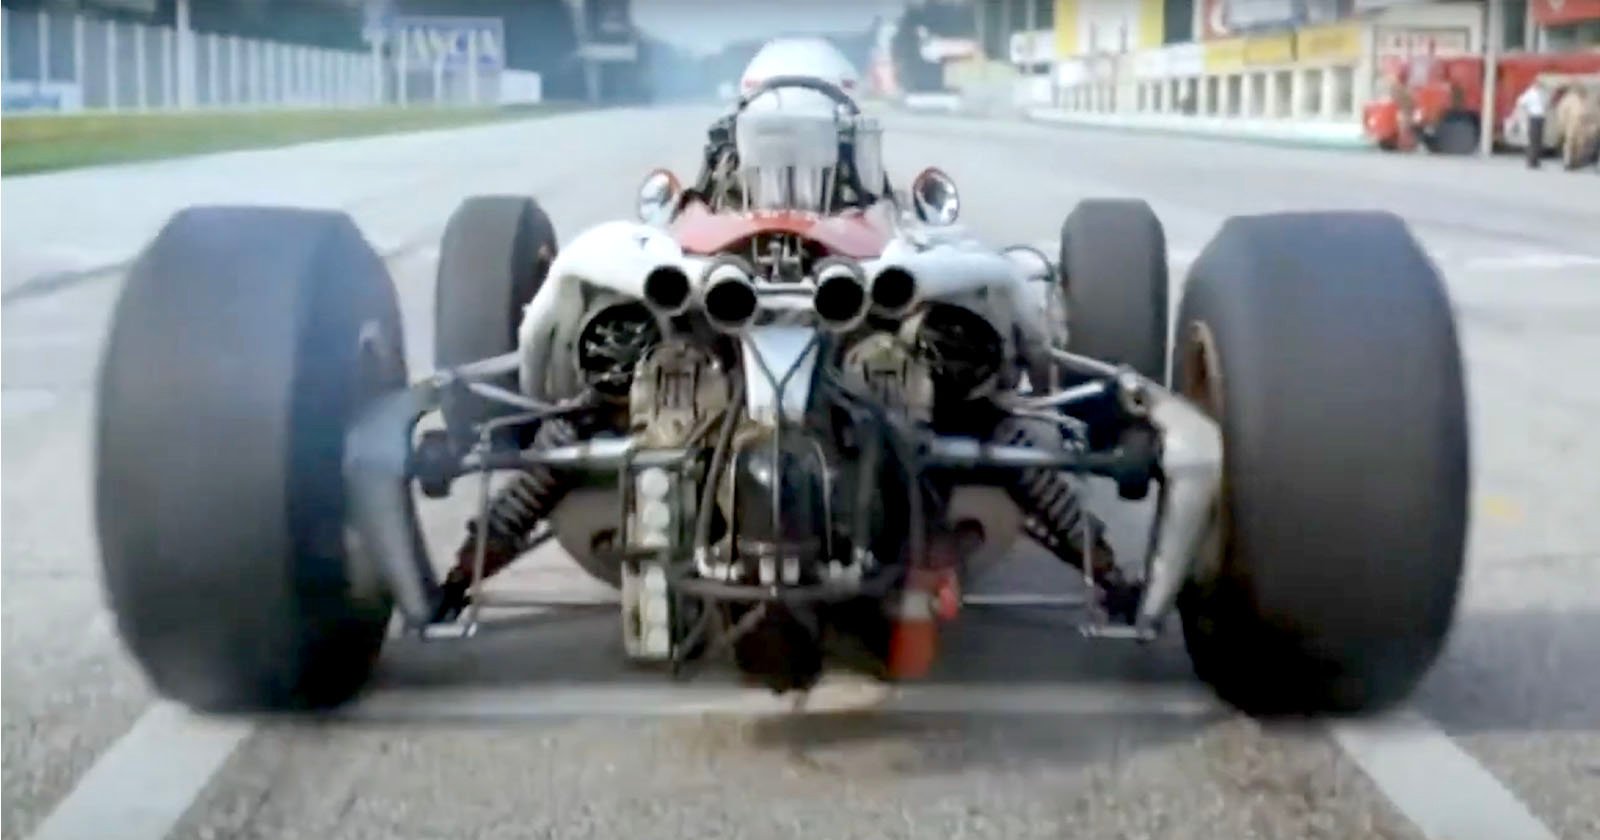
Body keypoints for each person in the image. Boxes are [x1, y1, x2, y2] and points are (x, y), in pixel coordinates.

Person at [1518, 81, 1548, 169]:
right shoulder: (1529, 93)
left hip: (1540, 117)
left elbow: (1546, 103)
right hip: (1533, 117)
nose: (1538, 86)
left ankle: (1536, 160)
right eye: (1537, 84)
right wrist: (1528, 110)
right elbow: (1521, 102)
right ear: (1533, 85)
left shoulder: (1541, 93)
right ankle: (1531, 161)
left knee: (1538, 140)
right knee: (1533, 140)